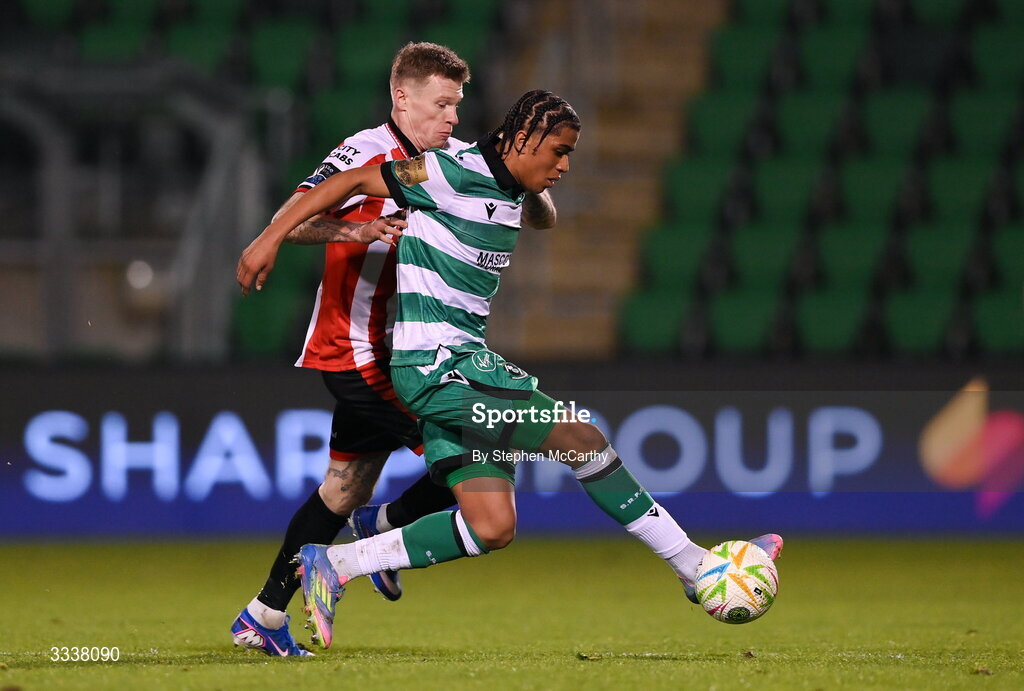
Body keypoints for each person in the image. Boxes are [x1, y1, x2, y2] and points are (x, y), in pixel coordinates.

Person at [238, 90, 783, 651]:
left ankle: (340, 561)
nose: (565, 165)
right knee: (583, 439)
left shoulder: (511, 189)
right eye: (559, 151)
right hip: (440, 369)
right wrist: (268, 239)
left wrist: (527, 174)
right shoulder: (447, 172)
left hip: (462, 366)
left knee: (492, 525)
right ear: (521, 138)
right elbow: (350, 182)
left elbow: (538, 210)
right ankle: (693, 566)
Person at [231, 43, 559, 657]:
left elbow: (541, 218)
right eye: (441, 104)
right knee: (473, 450)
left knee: (344, 488)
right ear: (402, 99)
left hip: (406, 351)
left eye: (458, 106)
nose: (452, 118)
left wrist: (520, 171)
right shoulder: (365, 152)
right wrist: (350, 229)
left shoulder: (452, 161)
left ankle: (264, 614)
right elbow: (295, 214)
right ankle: (381, 538)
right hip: (357, 350)